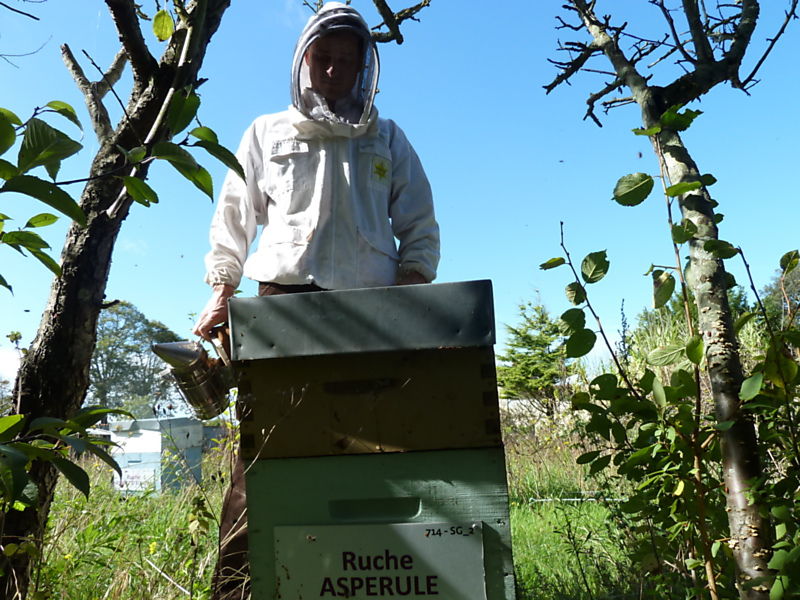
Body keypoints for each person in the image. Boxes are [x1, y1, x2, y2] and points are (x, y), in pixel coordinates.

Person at [192, 3, 439, 598]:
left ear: (363, 69)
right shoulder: (265, 132)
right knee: (261, 461)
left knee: (369, 456)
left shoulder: (387, 137)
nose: (333, 72)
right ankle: (238, 591)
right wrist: (223, 291)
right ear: (303, 61)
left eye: (346, 62)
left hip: (370, 313)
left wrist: (407, 294)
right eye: (323, 59)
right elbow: (233, 220)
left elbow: (421, 226)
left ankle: (355, 583)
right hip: (279, 305)